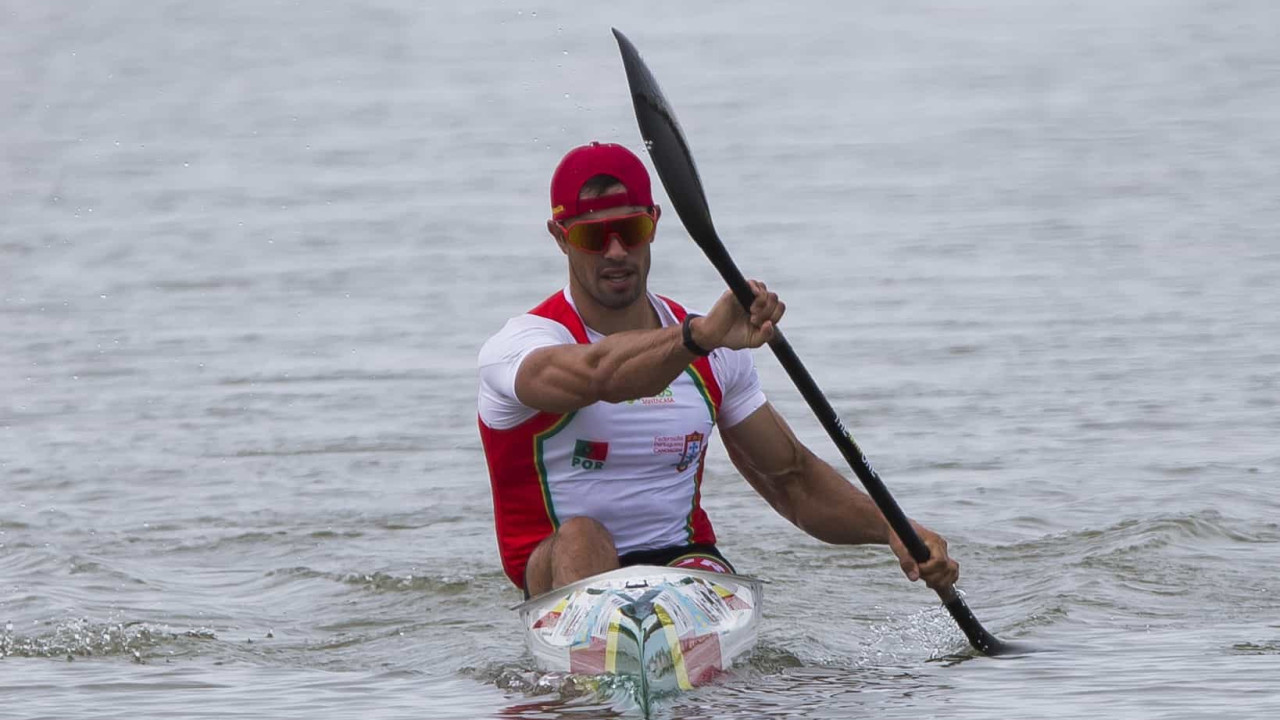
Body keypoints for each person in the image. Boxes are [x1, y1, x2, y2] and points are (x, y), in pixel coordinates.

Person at [478, 141, 959, 598]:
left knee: (714, 590)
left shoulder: (717, 348)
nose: (616, 252)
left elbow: (792, 480)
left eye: (630, 231)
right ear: (560, 238)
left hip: (682, 560)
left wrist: (894, 529)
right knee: (582, 536)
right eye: (593, 236)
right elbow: (599, 375)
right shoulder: (519, 347)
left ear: (654, 223)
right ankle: (597, 652)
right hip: (560, 569)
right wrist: (699, 337)